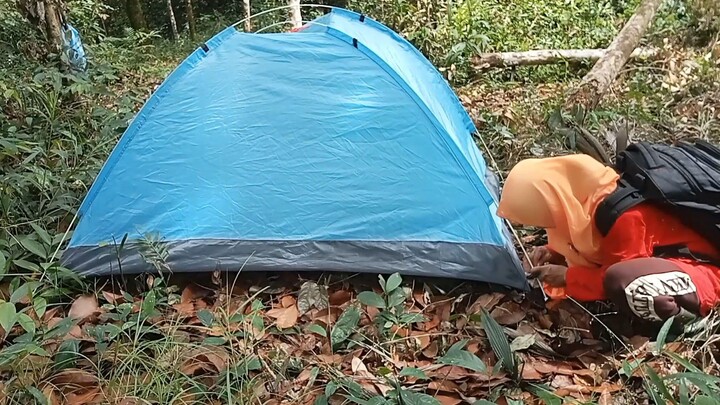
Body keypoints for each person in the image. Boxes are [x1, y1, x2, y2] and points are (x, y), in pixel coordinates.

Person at [496, 154, 720, 328]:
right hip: (670, 266)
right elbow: (592, 245)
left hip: (704, 272)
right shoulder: (584, 201)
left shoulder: (623, 216)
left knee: (626, 282)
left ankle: (686, 323)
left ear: (555, 198)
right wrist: (554, 252)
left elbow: (620, 275)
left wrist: (567, 277)